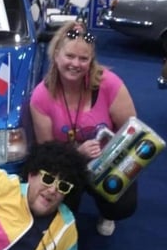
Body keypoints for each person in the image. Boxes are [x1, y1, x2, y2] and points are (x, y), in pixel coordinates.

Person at [30, 20, 138, 236]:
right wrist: (77, 153)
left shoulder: (110, 83)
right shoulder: (41, 96)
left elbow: (132, 131)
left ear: (91, 61)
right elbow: (46, 151)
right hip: (68, 163)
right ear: (56, 55)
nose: (75, 64)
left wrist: (107, 153)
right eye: (69, 56)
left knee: (122, 206)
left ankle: (106, 212)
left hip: (107, 160)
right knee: (49, 209)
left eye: (83, 59)